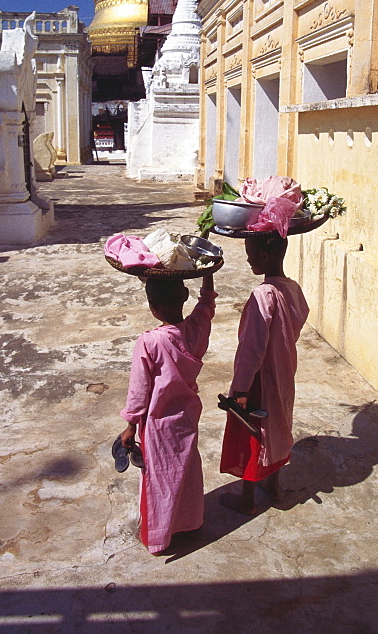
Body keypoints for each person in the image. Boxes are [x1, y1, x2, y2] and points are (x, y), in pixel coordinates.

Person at [118, 273, 216, 554]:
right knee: (187, 470)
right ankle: (190, 521)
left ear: (152, 306)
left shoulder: (148, 343)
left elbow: (139, 392)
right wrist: (207, 272)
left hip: (158, 426)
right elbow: (207, 304)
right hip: (187, 417)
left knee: (160, 477)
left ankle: (160, 536)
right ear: (185, 296)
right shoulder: (196, 331)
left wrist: (130, 427)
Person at [220, 234, 309, 514]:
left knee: (253, 432)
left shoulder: (263, 295)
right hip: (284, 368)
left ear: (266, 256)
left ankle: (247, 499)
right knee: (279, 426)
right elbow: (300, 317)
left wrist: (242, 388)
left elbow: (252, 347)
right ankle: (274, 486)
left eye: (251, 253)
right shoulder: (291, 288)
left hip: (260, 376)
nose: (247, 259)